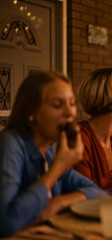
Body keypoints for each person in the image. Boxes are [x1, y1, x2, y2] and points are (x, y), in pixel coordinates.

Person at [0, 71, 102, 237]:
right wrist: (58, 168)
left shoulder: (47, 152)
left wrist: (57, 203)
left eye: (72, 103)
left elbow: (97, 192)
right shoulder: (10, 143)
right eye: (57, 105)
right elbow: (6, 223)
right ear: (31, 112)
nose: (70, 113)